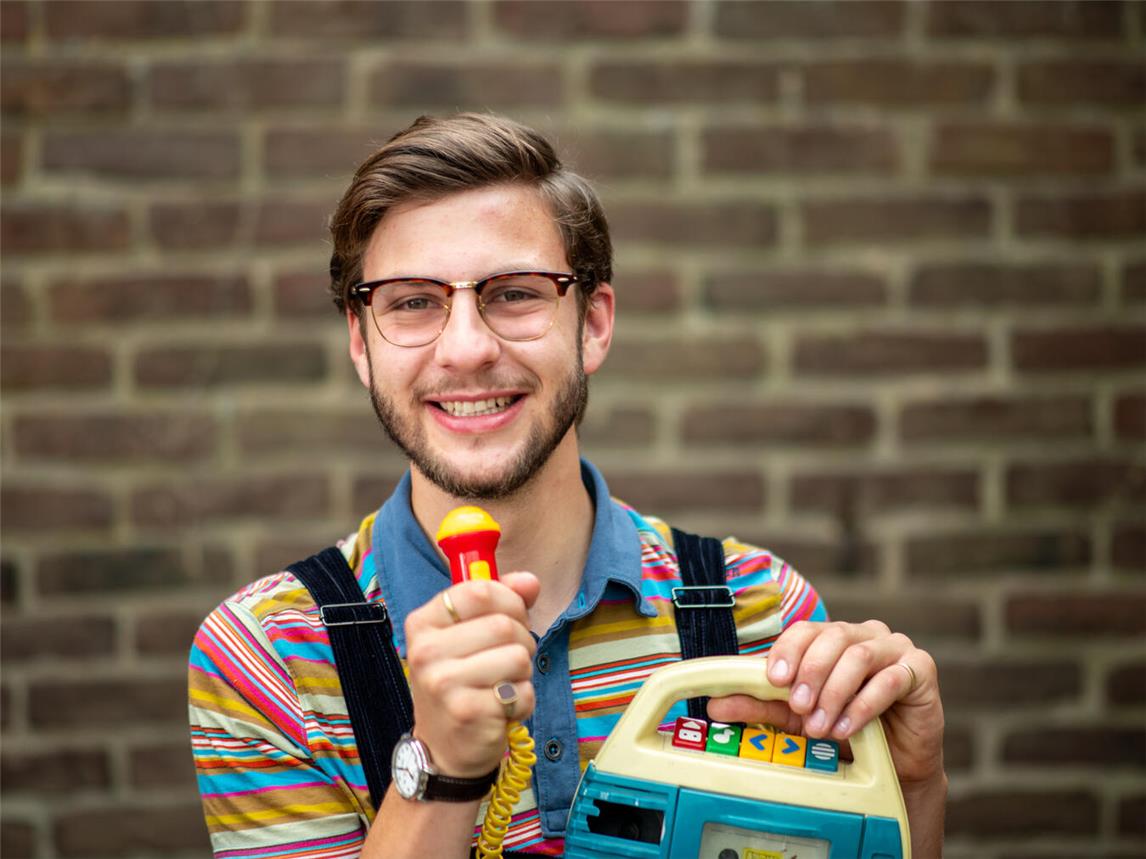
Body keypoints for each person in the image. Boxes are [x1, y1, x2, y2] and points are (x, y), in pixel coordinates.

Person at [189, 113, 946, 858]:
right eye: (412, 301)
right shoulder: (264, 658)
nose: (465, 349)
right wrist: (440, 769)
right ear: (361, 342)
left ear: (593, 324)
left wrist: (912, 790)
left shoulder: (762, 614)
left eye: (515, 292)